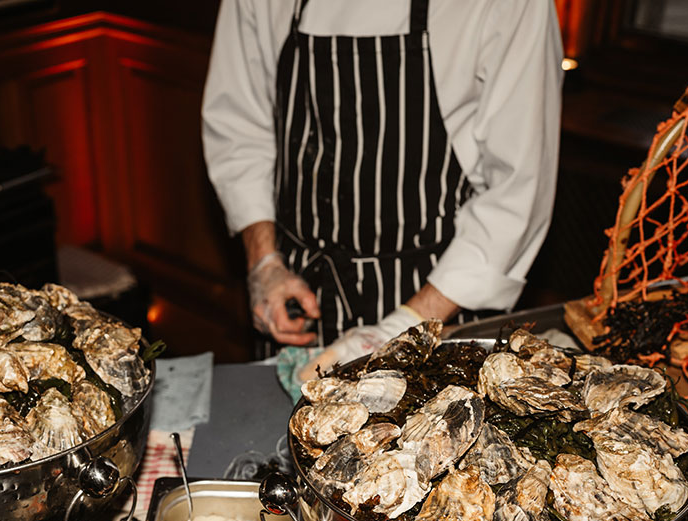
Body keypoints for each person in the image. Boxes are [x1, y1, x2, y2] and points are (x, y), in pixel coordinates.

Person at [202, 0, 563, 373]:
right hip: (297, 292)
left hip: (438, 298)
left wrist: (397, 329)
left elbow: (517, 192)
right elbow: (238, 129)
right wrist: (264, 262)